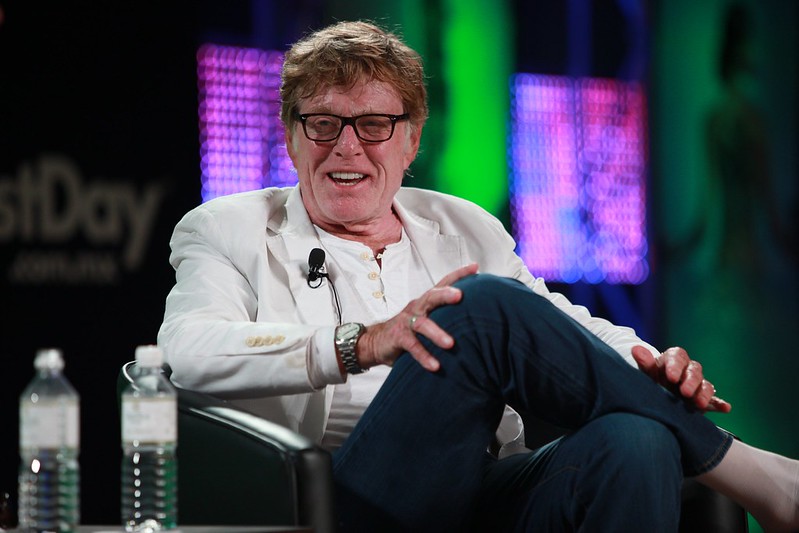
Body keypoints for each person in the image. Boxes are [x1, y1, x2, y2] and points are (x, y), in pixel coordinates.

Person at [158, 20, 799, 532]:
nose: (346, 146)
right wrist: (361, 343)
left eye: (375, 125)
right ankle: (748, 471)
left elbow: (557, 326)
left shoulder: (462, 224)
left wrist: (651, 365)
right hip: (343, 496)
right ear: (292, 138)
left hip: (483, 485)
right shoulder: (226, 229)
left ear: (411, 142)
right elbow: (185, 352)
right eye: (322, 124)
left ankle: (727, 462)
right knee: (478, 307)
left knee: (636, 441)